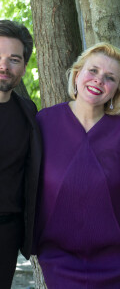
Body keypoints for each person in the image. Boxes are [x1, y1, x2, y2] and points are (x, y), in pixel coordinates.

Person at [33, 42, 120, 288]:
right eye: (93, 71)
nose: (99, 80)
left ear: (117, 91)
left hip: (116, 258)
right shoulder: (44, 121)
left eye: (109, 77)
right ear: (77, 75)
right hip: (58, 257)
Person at [0, 20, 42, 288]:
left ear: (24, 67)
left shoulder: (28, 113)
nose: (4, 66)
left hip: (6, 233)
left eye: (13, 59)